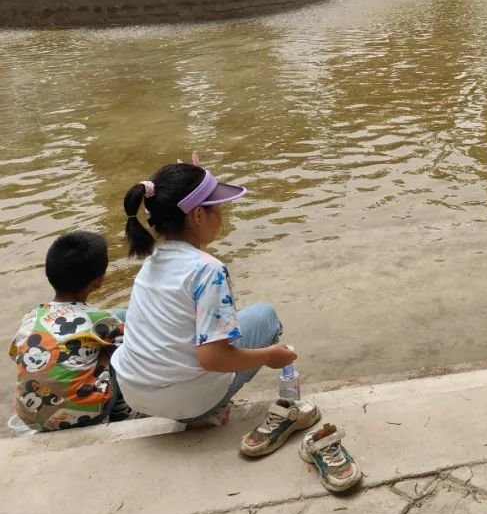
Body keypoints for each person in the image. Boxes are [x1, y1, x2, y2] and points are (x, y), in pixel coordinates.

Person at [111, 161, 320, 457]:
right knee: (265, 316)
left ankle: (157, 401)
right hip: (187, 404)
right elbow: (213, 358)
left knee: (124, 316)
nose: (222, 216)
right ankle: (206, 413)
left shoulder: (151, 262)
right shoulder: (209, 270)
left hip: (134, 393)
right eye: (218, 209)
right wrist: (270, 356)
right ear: (198, 215)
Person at [9, 231, 134, 431]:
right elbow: (136, 346)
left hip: (30, 418)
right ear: (99, 281)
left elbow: (15, 354)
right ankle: (120, 411)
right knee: (120, 337)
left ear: (49, 274)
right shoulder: (100, 320)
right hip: (87, 415)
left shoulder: (30, 319)